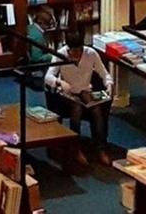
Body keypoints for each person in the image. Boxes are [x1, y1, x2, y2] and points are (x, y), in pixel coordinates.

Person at [44, 31, 112, 164]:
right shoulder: (61, 54)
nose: (74, 55)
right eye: (72, 52)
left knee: (97, 111)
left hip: (85, 90)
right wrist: (60, 82)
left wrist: (109, 84)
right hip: (68, 92)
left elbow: (104, 73)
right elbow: (48, 76)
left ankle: (100, 148)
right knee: (76, 110)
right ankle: (76, 148)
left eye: (78, 52)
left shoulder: (91, 54)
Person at [22, 7, 55, 90]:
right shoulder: (38, 36)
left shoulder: (30, 28)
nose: (49, 27)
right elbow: (36, 58)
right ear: (41, 23)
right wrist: (51, 55)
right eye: (48, 24)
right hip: (36, 68)